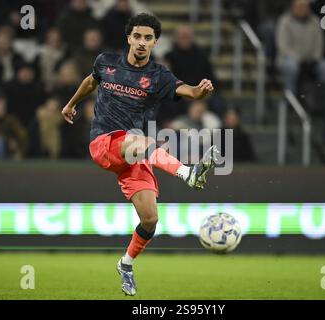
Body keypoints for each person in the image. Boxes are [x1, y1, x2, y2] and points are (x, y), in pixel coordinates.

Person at [61, 13, 218, 296]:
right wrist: (71, 104)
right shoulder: (106, 62)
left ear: (155, 41)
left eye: (148, 38)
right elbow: (90, 81)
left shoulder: (158, 76)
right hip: (105, 143)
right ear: (129, 38)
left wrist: (200, 90)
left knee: (150, 219)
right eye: (138, 36)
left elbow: (190, 93)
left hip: (134, 153)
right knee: (139, 139)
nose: (142, 42)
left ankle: (126, 263)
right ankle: (189, 173)